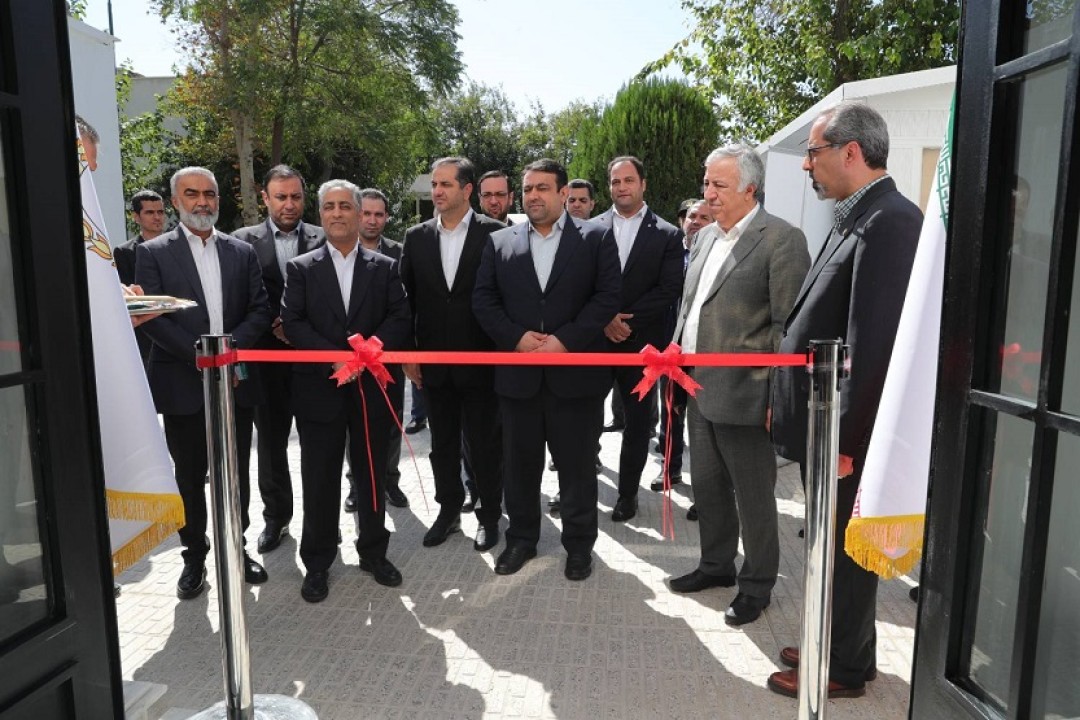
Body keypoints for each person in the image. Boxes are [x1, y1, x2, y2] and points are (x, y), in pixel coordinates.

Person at [769, 101, 922, 698]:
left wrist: (848, 442)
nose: (806, 165)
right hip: (825, 422)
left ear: (851, 152)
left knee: (845, 553)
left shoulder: (891, 222)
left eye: (814, 152)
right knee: (830, 547)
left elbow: (872, 343)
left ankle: (844, 668)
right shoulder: (856, 214)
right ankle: (841, 643)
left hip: (844, 432)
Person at [667, 144, 809, 630]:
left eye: (719, 185)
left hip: (748, 393)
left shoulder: (782, 240)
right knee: (707, 487)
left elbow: (788, 328)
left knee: (753, 496)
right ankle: (716, 564)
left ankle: (757, 584)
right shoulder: (704, 237)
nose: (708, 194)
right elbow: (690, 307)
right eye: (706, 183)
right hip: (696, 388)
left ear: (750, 188)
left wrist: (776, 397)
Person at [473, 158, 621, 581]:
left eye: (542, 188)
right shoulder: (500, 242)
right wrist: (516, 338)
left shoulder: (596, 237)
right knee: (519, 468)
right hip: (518, 378)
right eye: (527, 189)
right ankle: (521, 539)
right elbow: (483, 300)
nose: (532, 195)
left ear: (562, 193)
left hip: (575, 379)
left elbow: (607, 297)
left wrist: (565, 341)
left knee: (576, 468)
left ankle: (579, 546)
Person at [135, 166, 272, 600]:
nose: (202, 202)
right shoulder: (154, 253)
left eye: (209, 194)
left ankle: (237, 547)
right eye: (192, 194)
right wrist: (199, 356)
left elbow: (260, 310)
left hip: (234, 383)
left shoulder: (241, 252)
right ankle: (194, 556)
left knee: (236, 473)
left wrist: (227, 354)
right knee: (190, 476)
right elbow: (152, 317)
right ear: (176, 201)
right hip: (184, 384)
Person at [281, 179, 412, 603]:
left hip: (371, 387)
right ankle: (318, 561)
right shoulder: (301, 268)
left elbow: (399, 316)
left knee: (372, 473)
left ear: (358, 213)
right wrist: (336, 360)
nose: (337, 213)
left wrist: (367, 353)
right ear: (321, 214)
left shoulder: (385, 266)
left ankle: (374, 552)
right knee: (319, 477)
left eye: (344, 206)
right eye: (329, 206)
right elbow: (293, 322)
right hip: (319, 389)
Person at [401, 157, 505, 551]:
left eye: (445, 184)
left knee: (484, 445)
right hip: (434, 366)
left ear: (467, 189)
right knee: (442, 444)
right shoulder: (416, 237)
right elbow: (406, 302)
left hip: (482, 364)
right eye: (434, 184)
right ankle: (448, 511)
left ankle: (489, 515)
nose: (437, 191)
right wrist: (408, 352)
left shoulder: (495, 234)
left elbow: (504, 298)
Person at [233, 165, 325, 554]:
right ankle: (277, 519)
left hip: (314, 362)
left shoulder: (324, 238)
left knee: (319, 447)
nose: (289, 204)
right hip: (265, 362)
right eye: (281, 197)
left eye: (296, 197)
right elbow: (240, 298)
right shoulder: (242, 242)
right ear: (265, 199)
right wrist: (275, 325)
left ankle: (322, 523)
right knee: (271, 447)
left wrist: (299, 328)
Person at [593, 156, 684, 522]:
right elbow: (579, 282)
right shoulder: (589, 228)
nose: (621, 187)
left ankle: (627, 495)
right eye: (615, 182)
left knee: (636, 425)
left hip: (642, 345)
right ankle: (577, 488)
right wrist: (604, 319)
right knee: (583, 419)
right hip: (595, 344)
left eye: (628, 180)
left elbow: (668, 289)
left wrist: (625, 322)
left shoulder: (667, 234)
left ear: (643, 184)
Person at [341, 188, 410, 510]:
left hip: (388, 355)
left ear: (386, 218)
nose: (371, 220)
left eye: (378, 214)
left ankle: (389, 481)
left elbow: (408, 306)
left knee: (392, 422)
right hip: (348, 359)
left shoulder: (400, 253)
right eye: (366, 213)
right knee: (352, 425)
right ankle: (357, 485)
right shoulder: (339, 250)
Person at [653, 199, 713, 499]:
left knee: (703, 423)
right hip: (671, 350)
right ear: (682, 221)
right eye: (692, 216)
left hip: (704, 353)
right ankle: (669, 468)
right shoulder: (670, 254)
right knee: (670, 413)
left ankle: (706, 488)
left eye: (704, 217)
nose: (696, 221)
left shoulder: (717, 255)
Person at [115, 189, 167, 369]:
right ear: (136, 217)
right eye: (150, 212)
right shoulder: (124, 252)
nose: (157, 217)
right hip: (145, 335)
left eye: (160, 212)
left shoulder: (177, 248)